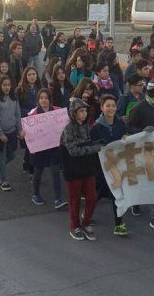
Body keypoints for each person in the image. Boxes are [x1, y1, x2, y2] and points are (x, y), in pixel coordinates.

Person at [126, 78, 154, 232]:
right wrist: (143, 132)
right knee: (140, 181)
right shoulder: (139, 108)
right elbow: (129, 127)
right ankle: (136, 202)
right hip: (140, 153)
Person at [61, 98, 102, 241]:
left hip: (87, 168)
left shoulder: (86, 127)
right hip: (73, 170)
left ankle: (85, 223)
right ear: (74, 113)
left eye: (85, 111)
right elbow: (73, 151)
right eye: (81, 111)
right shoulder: (68, 129)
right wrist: (93, 148)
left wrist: (94, 145)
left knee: (92, 198)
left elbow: (85, 144)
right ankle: (75, 226)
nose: (84, 114)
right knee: (75, 201)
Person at [90, 94, 129, 236]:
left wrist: (125, 137)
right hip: (101, 168)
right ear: (102, 108)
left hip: (116, 167)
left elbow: (124, 136)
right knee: (98, 193)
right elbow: (92, 147)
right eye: (108, 106)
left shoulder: (120, 123)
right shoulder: (95, 128)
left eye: (113, 105)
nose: (111, 108)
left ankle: (119, 224)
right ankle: (87, 214)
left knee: (116, 194)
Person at [28, 88, 66, 208]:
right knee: (38, 173)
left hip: (54, 147)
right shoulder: (33, 113)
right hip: (39, 149)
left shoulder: (57, 111)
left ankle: (58, 199)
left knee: (55, 172)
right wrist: (24, 133)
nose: (44, 100)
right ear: (38, 100)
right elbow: (28, 131)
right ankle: (36, 194)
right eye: (41, 98)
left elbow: (64, 127)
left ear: (50, 99)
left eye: (46, 98)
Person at [0, 76, 22, 191]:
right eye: (4, 85)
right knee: (2, 156)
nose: (7, 87)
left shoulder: (14, 97)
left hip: (12, 131)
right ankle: (3, 181)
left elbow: (17, 114)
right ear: (0, 86)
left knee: (12, 155)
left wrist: (20, 129)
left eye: (9, 85)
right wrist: (0, 133)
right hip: (1, 133)